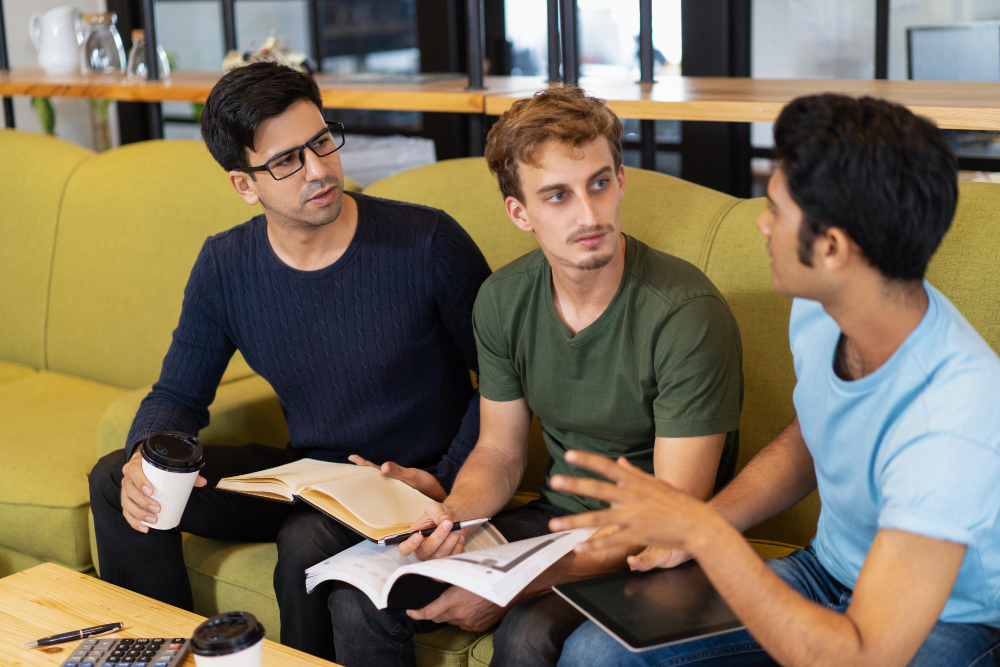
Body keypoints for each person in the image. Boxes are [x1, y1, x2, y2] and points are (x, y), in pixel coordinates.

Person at [552, 94, 1000, 667]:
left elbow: (862, 653)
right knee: (598, 652)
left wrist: (706, 536)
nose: (761, 225)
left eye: (777, 211)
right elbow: (816, 431)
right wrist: (700, 525)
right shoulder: (822, 303)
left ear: (832, 248)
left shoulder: (953, 420)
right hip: (829, 571)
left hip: (946, 618)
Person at [325, 86, 744, 667]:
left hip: (664, 544)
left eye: (599, 183)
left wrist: (512, 586)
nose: (589, 214)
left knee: (524, 634)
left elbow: (670, 519)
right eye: (557, 196)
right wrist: (455, 517)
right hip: (557, 517)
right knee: (361, 599)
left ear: (621, 180)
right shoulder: (502, 301)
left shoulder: (684, 312)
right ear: (520, 212)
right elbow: (498, 451)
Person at [88, 61, 492, 663]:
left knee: (306, 542)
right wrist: (151, 449)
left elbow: (506, 379)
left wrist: (451, 476)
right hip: (311, 477)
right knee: (120, 477)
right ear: (245, 185)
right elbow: (177, 394)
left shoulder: (427, 243)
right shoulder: (226, 266)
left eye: (322, 141)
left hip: (411, 482)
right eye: (287, 161)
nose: (320, 170)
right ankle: (159, 655)